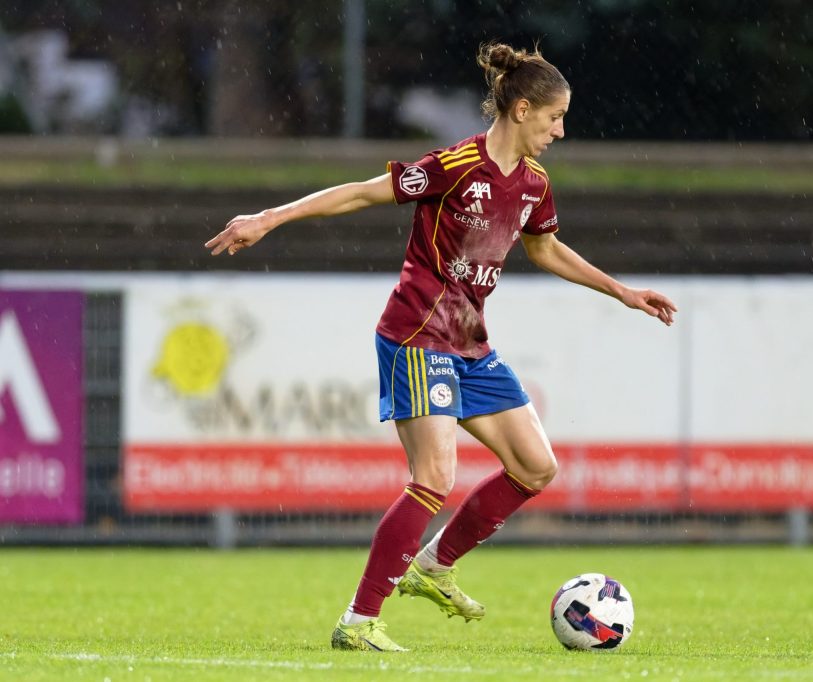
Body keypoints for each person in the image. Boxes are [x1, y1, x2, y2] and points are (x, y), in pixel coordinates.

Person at [205, 41, 677, 652]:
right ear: (522, 110)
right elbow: (361, 192)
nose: (560, 131)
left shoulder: (533, 183)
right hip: (416, 334)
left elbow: (545, 249)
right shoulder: (454, 166)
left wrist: (622, 292)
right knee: (433, 476)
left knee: (535, 466)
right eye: (554, 117)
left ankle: (433, 564)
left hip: (469, 342)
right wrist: (268, 218)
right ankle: (359, 621)